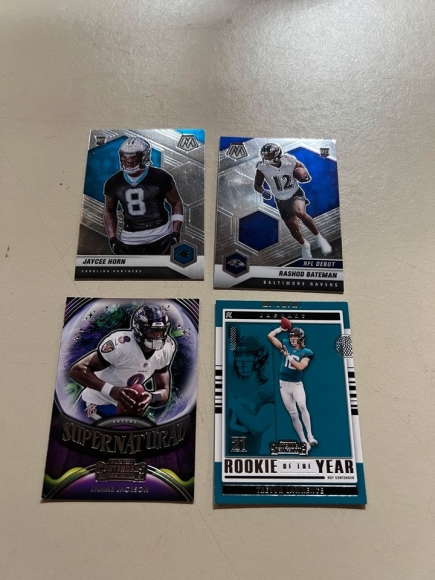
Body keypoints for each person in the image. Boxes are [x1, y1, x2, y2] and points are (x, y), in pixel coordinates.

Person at [69, 304, 175, 421]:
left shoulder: (167, 348)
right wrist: (111, 390)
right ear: (139, 328)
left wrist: (151, 397)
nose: (157, 336)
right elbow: (78, 370)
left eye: (161, 331)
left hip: (125, 408)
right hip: (96, 402)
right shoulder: (120, 344)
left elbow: (164, 390)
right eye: (152, 331)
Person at [103, 136, 184, 255]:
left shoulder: (160, 177)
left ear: (144, 156)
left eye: (133, 156)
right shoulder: (113, 182)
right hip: (130, 239)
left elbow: (176, 202)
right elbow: (109, 210)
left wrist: (176, 232)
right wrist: (112, 238)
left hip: (161, 235)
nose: (128, 160)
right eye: (125, 156)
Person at [254, 143, 332, 260]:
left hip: (295, 193)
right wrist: (263, 191)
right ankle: (304, 245)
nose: (265, 157)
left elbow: (302, 170)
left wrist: (304, 175)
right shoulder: (262, 168)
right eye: (264, 155)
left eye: (268, 155)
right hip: (281, 199)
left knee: (299, 212)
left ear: (276, 154)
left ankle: (319, 238)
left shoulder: (289, 161)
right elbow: (257, 185)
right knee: (293, 228)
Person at [267, 324, 317, 454]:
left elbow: (300, 367)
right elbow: (270, 336)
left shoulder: (306, 352)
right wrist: (280, 329)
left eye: (295, 337)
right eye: (291, 336)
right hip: (284, 385)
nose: (292, 339)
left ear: (301, 338)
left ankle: (310, 435)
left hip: (296, 384)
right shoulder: (285, 344)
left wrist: (288, 356)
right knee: (293, 414)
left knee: (302, 405)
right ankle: (303, 441)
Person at [227, 335, 275, 455]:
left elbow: (257, 426)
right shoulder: (229, 371)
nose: (242, 360)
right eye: (239, 355)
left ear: (260, 359)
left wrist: (231, 401)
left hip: (245, 456)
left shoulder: (270, 390)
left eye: (248, 355)